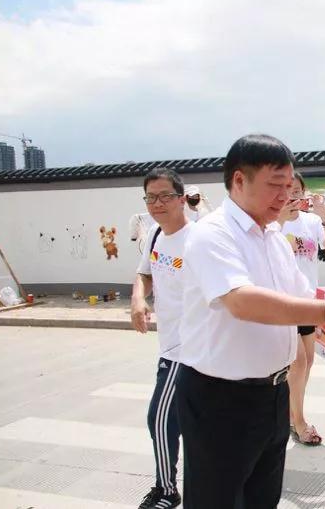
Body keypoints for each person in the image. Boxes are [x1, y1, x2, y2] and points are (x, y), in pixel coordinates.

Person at [174, 134, 325, 508]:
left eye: (289, 186)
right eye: (275, 185)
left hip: (273, 393)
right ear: (239, 180)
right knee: (216, 500)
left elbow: (303, 299)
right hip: (220, 398)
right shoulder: (212, 234)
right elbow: (241, 301)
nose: (285, 196)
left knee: (262, 499)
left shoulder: (274, 238)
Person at [130, 168, 191, 509]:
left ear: (181, 199)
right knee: (179, 420)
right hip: (168, 344)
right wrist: (138, 300)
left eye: (165, 196)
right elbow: (144, 273)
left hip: (189, 349)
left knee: (160, 417)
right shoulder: (155, 234)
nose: (157, 204)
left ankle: (167, 490)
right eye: (150, 197)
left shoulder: (197, 240)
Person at [279, 172, 325, 445]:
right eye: (286, 190)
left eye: (296, 190)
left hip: (308, 302)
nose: (292, 195)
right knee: (299, 362)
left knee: (307, 363)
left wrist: (323, 215)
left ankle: (290, 414)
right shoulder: (273, 224)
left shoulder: (312, 222)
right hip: (283, 303)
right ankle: (299, 421)